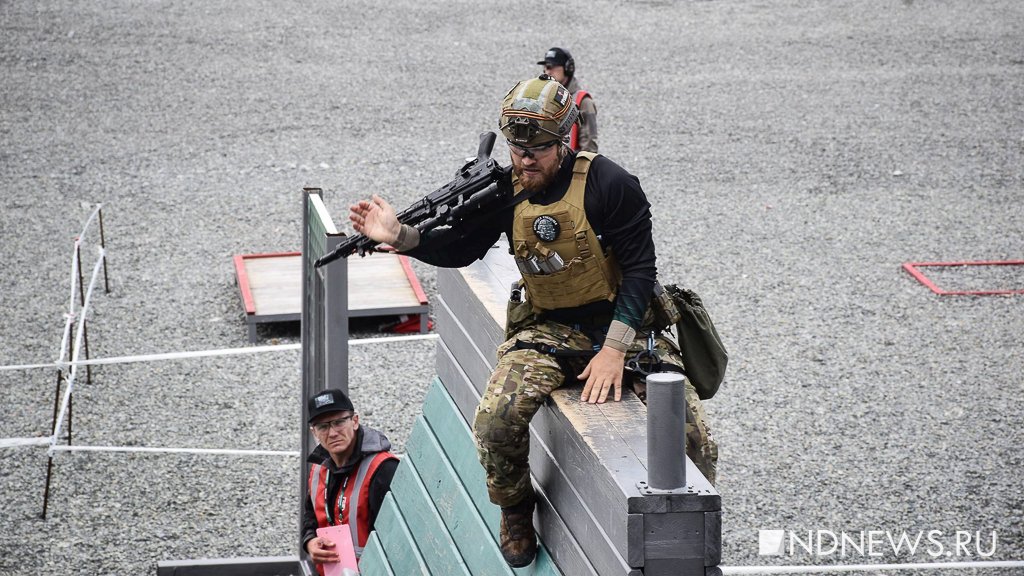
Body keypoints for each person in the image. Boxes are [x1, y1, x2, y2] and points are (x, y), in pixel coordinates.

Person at [347, 74, 717, 568]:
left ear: (563, 140)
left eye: (538, 148)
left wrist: (613, 350)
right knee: (496, 422)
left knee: (693, 440)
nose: (525, 159)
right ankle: (516, 510)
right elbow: (463, 247)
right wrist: (404, 237)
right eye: (517, 148)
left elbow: (639, 271)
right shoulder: (507, 190)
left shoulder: (611, 184)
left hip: (630, 330)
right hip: (547, 327)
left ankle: (694, 545)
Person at [301, 388, 398, 574]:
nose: (332, 433)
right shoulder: (318, 469)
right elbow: (311, 515)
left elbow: (393, 540)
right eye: (323, 427)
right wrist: (310, 541)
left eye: (339, 423)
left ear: (355, 421)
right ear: (314, 432)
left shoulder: (383, 470)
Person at [537, 46, 598, 153]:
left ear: (568, 68)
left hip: (570, 166)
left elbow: (589, 145)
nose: (547, 72)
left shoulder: (583, 101)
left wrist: (582, 168)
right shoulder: (543, 99)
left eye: (551, 67)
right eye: (546, 68)